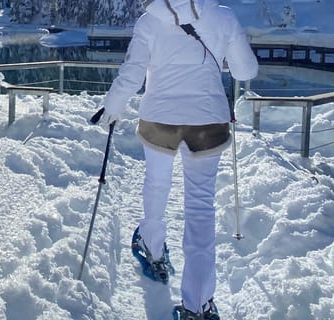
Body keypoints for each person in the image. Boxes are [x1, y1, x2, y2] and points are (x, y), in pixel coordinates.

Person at [97, 0, 258, 319]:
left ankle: (153, 249)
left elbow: (132, 73)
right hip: (207, 122)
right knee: (200, 207)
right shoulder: (223, 16)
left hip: (160, 119)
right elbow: (246, 70)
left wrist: (112, 107)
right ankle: (198, 304)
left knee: (156, 183)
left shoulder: (150, 19)